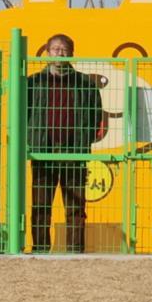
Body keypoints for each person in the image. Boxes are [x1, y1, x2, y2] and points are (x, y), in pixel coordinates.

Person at [27, 34, 103, 254]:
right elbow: (23, 114)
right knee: (41, 206)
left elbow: (96, 114)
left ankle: (75, 251)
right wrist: (31, 140)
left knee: (75, 207)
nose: (60, 53)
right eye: (55, 49)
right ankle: (40, 249)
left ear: (71, 53)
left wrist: (84, 140)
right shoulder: (33, 83)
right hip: (43, 151)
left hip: (74, 152)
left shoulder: (85, 84)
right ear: (47, 53)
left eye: (64, 49)